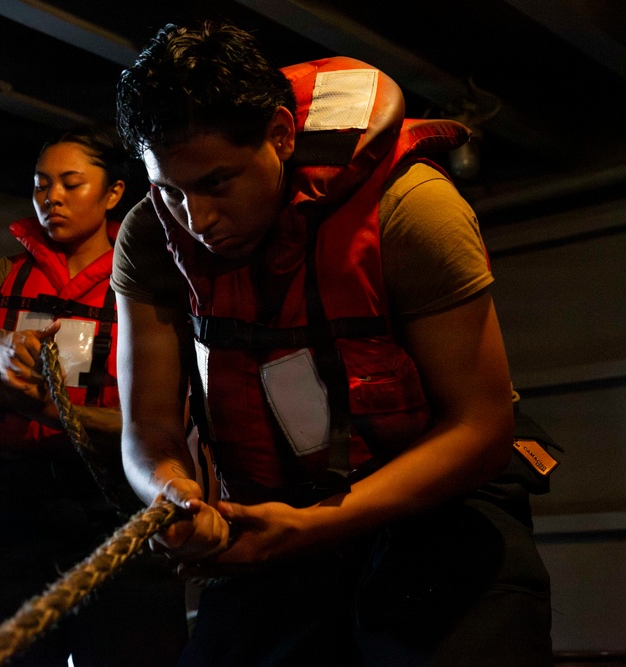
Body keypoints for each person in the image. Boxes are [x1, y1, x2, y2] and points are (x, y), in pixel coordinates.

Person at [111, 22, 552, 667]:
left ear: (282, 137)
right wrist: (172, 494)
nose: (196, 220)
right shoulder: (151, 240)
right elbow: (148, 428)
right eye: (170, 190)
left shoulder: (411, 208)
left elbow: (482, 426)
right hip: (276, 514)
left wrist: (314, 526)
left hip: (438, 502)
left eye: (217, 184)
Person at [0, 125, 189, 666]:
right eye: (42, 184)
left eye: (71, 183)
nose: (52, 198)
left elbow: (167, 424)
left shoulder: (151, 281)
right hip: (18, 510)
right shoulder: (5, 274)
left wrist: (47, 411)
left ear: (114, 194)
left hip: (116, 502)